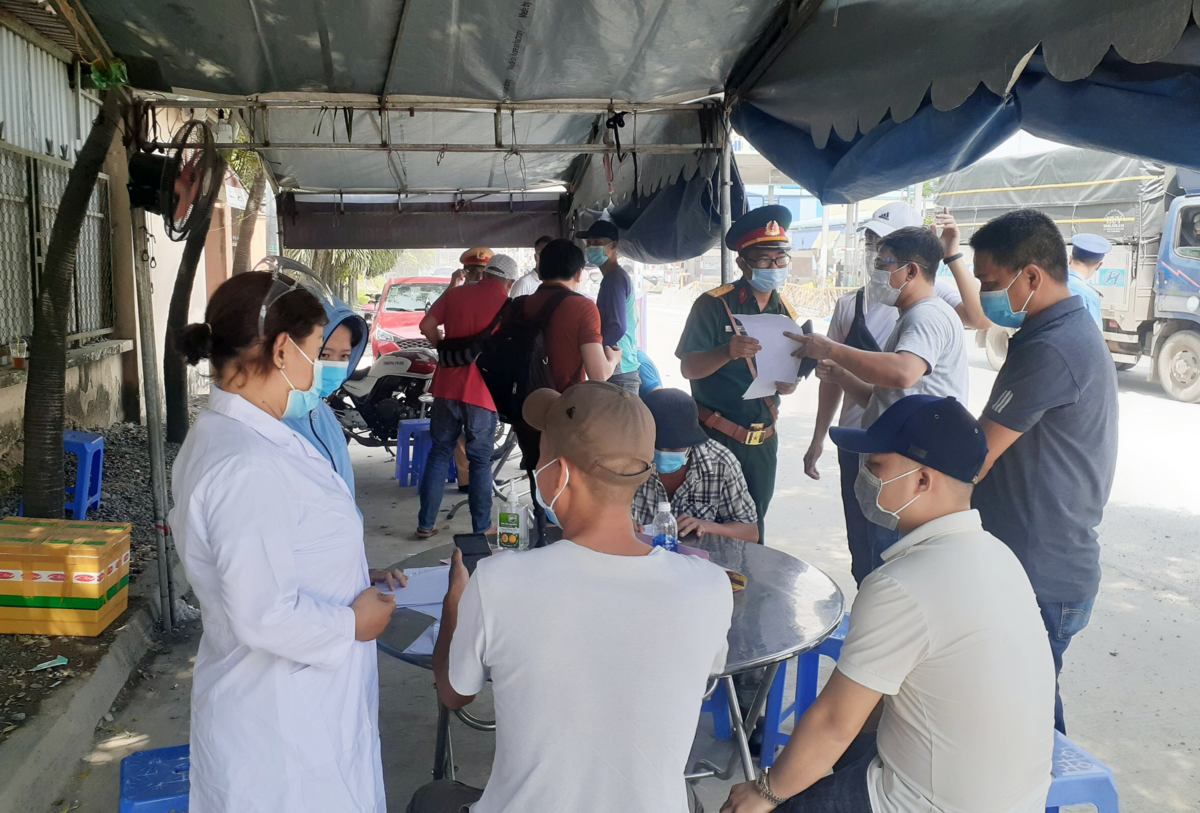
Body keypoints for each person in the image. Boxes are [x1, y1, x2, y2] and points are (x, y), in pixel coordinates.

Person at [721, 395, 1055, 813]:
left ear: (922, 481)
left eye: (876, 465)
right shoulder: (998, 556)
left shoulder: (903, 585)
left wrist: (765, 792)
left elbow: (834, 722)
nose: (864, 475)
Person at [411, 382, 733, 813]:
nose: (535, 467)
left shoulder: (499, 581)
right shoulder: (709, 587)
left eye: (540, 456)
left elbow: (455, 694)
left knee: (430, 798)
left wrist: (454, 602)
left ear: (559, 473)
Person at [170, 270, 406, 813]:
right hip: (281, 729)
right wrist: (351, 624)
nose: (324, 367)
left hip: (299, 710)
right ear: (282, 350)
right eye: (317, 349)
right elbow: (263, 613)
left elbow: (276, 548)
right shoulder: (248, 464)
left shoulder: (248, 436)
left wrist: (347, 573)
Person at [959, 209, 1119, 734]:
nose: (984, 294)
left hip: (1039, 571)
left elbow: (975, 457)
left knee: (1024, 728)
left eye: (989, 282)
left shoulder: (1053, 347)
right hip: (1038, 562)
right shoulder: (1053, 331)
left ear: (1031, 275)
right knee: (1018, 711)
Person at [804, 212, 983, 585]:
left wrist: (832, 349)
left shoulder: (928, 315)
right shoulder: (910, 316)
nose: (876, 273)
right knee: (872, 563)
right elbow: (887, 398)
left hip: (912, 469)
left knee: (892, 576)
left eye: (883, 264)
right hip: (893, 458)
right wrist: (842, 375)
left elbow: (903, 373)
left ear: (911, 271)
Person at [677, 204, 801, 544]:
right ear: (742, 263)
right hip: (716, 436)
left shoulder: (785, 312)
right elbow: (689, 368)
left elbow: (786, 374)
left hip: (763, 440)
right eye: (764, 260)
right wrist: (726, 351)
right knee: (706, 527)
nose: (774, 267)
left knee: (753, 529)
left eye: (780, 259)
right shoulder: (714, 305)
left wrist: (788, 384)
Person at [514, 239, 622, 543]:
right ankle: (566, 545)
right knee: (569, 488)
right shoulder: (582, 307)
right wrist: (614, 359)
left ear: (540, 270)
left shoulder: (518, 306)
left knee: (538, 477)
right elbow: (598, 373)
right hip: (565, 413)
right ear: (578, 273)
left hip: (524, 408)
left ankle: (541, 538)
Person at [416, 254, 519, 538]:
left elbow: (426, 326)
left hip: (446, 386)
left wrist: (445, 349)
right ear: (509, 282)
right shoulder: (508, 306)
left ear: (486, 273)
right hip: (483, 391)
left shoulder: (456, 294)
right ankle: (482, 527)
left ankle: (425, 524)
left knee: (439, 453)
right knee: (480, 461)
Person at [632, 388, 759, 543]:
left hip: (700, 555)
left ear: (691, 442)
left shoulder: (721, 464)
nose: (664, 453)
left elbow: (751, 533)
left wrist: (709, 527)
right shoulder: (627, 460)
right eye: (657, 446)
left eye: (674, 448)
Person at [282, 290, 367, 496]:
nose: (334, 364)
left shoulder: (322, 412)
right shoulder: (273, 421)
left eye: (344, 356)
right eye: (324, 354)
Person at [579, 219, 641, 394]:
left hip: (617, 366)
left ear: (613, 246)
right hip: (619, 365)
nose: (591, 247)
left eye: (597, 242)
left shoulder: (614, 279)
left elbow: (616, 326)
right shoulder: (611, 278)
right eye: (588, 243)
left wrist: (595, 354)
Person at [1066, 233, 1110, 328]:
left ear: (1070, 259)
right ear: (1098, 266)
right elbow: (1095, 334)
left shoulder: (1050, 283)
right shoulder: (1089, 296)